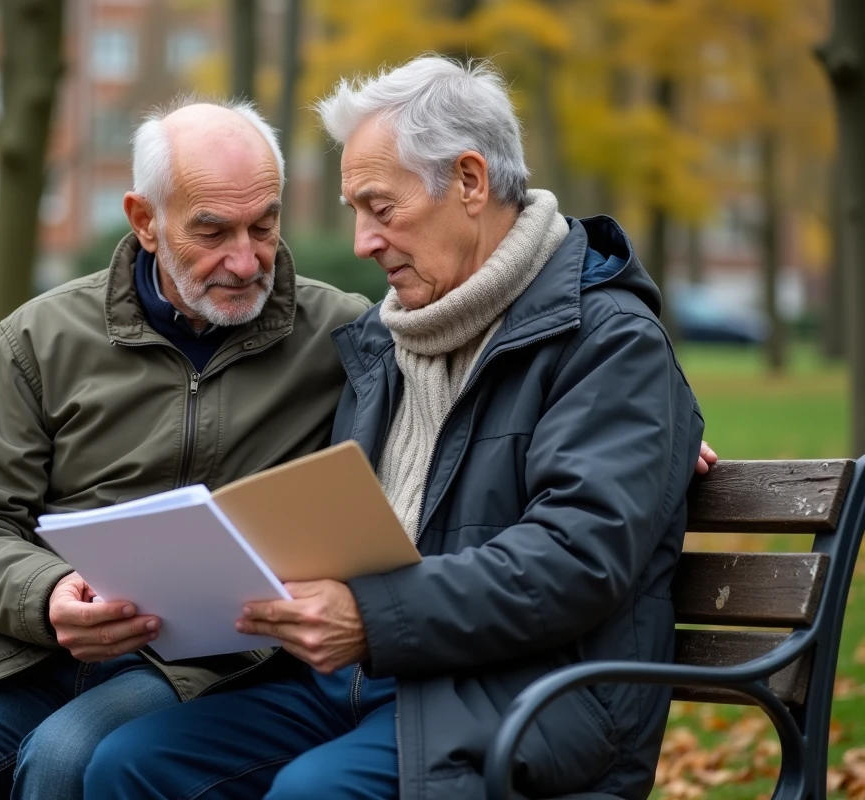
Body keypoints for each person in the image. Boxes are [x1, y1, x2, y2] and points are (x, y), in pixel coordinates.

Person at [84, 56, 708, 800]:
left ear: (471, 183)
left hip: (527, 695)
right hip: (367, 679)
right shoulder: (385, 341)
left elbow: (577, 558)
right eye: (354, 211)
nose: (362, 242)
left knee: (314, 793)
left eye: (380, 207)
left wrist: (372, 619)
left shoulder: (608, 343)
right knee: (131, 765)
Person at [0, 99, 374, 799]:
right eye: (211, 231)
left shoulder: (343, 337)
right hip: (20, 650)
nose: (246, 261)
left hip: (212, 663)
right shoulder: (40, 337)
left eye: (264, 226)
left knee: (70, 760)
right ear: (144, 220)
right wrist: (49, 595)